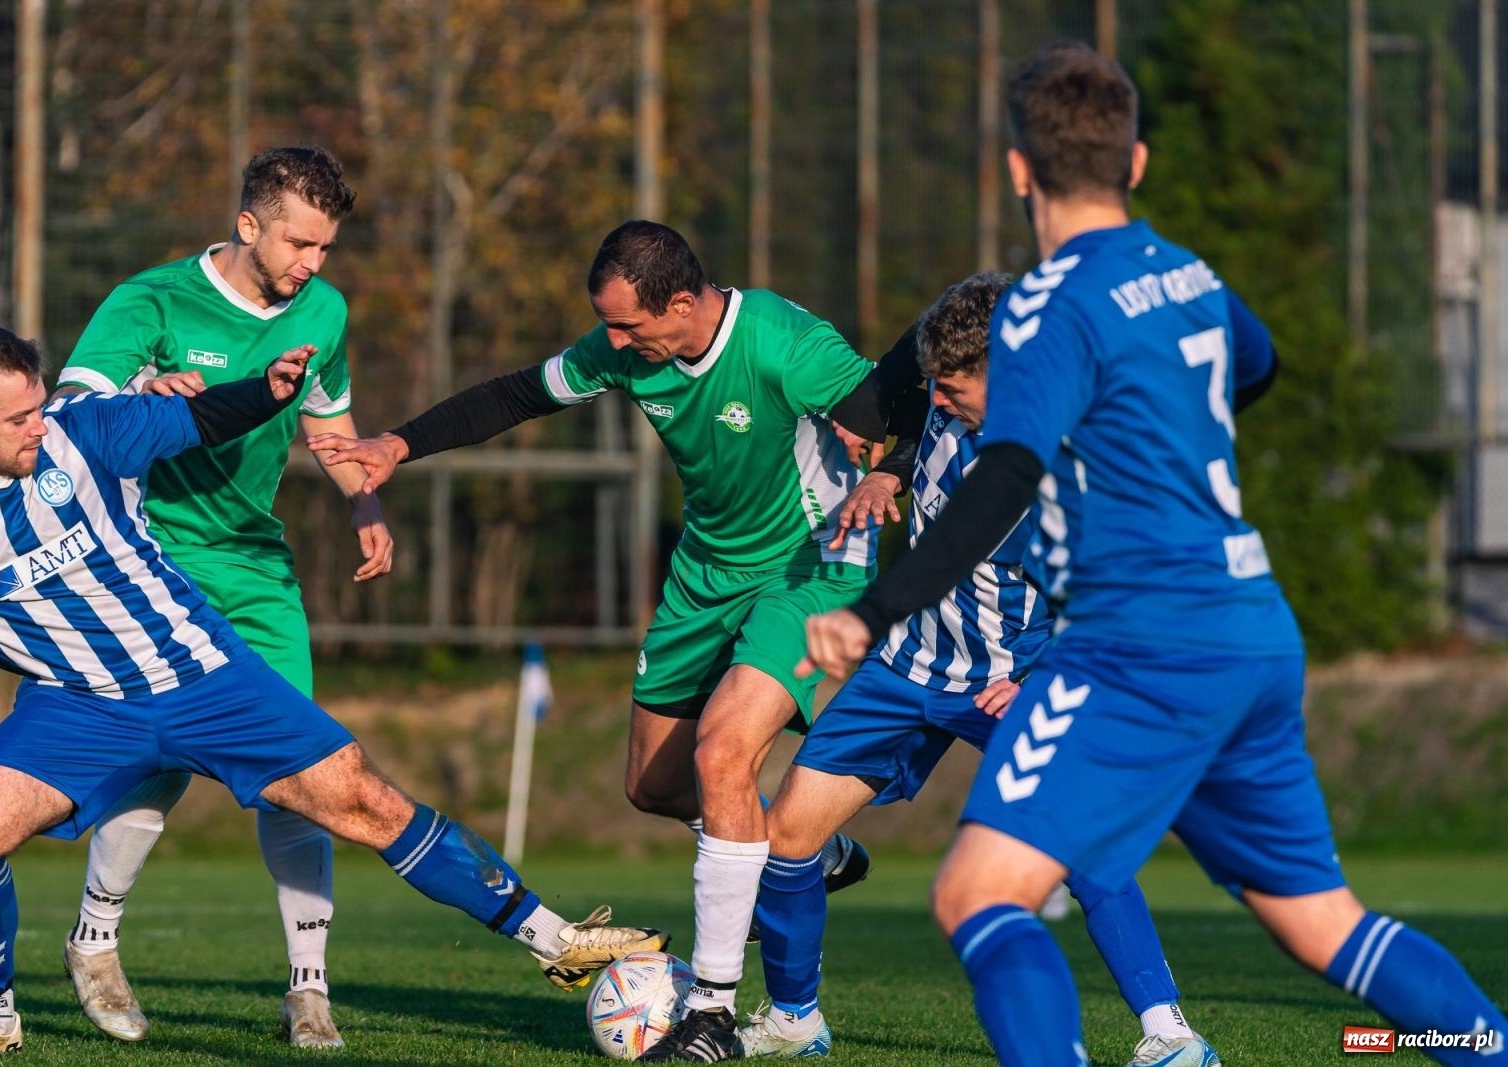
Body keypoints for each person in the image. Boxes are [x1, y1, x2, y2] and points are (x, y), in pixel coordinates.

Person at [800, 42, 1507, 1066]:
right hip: (1251, 629)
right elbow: (1253, 368)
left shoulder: (1041, 310)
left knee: (974, 894)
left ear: (1016, 170)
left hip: (1145, 640)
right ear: (1134, 164)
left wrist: (871, 611)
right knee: (1325, 926)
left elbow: (998, 479)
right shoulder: (1185, 273)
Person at [0, 322, 666, 1058]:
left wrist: (268, 393)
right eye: (18, 417)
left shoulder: (85, 430)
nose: (38, 424)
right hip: (80, 704)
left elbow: (198, 417)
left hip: (205, 676)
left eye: (41, 404)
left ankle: (555, 938)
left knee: (367, 800)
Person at [306, 220, 891, 1061]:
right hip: (706, 570)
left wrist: (884, 466)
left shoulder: (781, 343)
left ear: (682, 303)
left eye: (627, 327)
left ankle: (715, 1010)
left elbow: (894, 403)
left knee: (723, 752)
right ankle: (804, 850)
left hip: (809, 564)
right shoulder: (625, 350)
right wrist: (399, 443)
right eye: (608, 326)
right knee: (654, 785)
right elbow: (515, 394)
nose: (612, 343)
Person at [738, 273, 1217, 1067]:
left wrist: (1042, 678)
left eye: (953, 387)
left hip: (1012, 673)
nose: (937, 398)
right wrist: (890, 468)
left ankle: (1172, 1035)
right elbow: (919, 439)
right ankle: (795, 1019)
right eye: (933, 385)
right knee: (790, 831)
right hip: (906, 667)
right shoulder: (944, 401)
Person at [50, 145, 391, 1048]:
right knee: (157, 763)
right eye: (300, 243)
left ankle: (309, 992)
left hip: (257, 569)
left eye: (326, 247)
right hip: (154, 562)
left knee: (305, 773)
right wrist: (140, 389)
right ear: (249, 226)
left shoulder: (322, 308)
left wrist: (365, 498)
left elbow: (328, 416)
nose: (314, 264)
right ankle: (94, 941)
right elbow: (68, 408)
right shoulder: (151, 300)